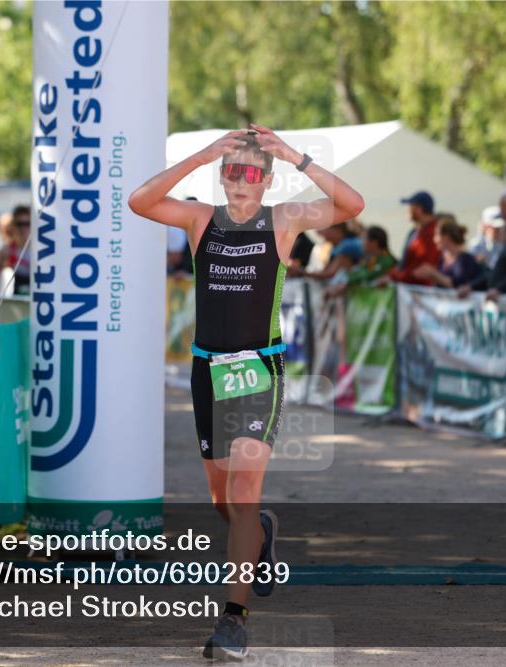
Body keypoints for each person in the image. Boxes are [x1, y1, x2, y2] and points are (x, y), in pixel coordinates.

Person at [129, 124, 364, 660]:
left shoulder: (283, 220)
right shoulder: (199, 218)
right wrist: (204, 152)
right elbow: (140, 201)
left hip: (259, 371)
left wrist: (295, 156)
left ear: (267, 179)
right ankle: (259, 531)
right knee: (223, 502)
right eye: (231, 172)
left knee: (241, 495)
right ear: (222, 174)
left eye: (252, 173)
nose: (240, 183)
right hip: (207, 369)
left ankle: (233, 620)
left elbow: (351, 204)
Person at [377, 190, 440, 286]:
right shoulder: (416, 231)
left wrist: (394, 277)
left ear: (419, 209)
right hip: (410, 287)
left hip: (420, 290)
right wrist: (391, 275)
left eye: (410, 206)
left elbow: (420, 269)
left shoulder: (432, 233)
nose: (407, 210)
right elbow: (405, 264)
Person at [414, 214, 483, 288]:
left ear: (446, 237)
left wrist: (433, 274)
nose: (434, 240)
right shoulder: (442, 258)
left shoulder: (465, 260)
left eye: (437, 235)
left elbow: (457, 286)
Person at [326, 225, 396, 297]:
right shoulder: (372, 259)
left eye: (364, 239)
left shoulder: (387, 260)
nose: (361, 243)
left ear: (374, 242)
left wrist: (347, 283)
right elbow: (360, 272)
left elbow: (367, 275)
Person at [468, 205, 506, 270]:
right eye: (492, 227)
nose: (496, 231)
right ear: (484, 226)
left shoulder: (505, 243)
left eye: (498, 228)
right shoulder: (475, 245)